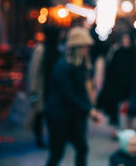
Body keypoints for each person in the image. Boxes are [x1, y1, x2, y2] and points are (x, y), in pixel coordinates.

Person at [44, 26, 103, 166]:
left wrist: (89, 108)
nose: (88, 50)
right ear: (77, 47)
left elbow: (81, 91)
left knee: (81, 149)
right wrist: (88, 110)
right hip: (59, 117)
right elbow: (68, 95)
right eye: (85, 46)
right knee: (57, 153)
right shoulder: (63, 66)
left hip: (71, 116)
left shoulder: (78, 65)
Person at [27, 25, 60, 147]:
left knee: (49, 115)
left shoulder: (55, 49)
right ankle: (39, 138)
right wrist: (33, 90)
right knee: (38, 114)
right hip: (41, 89)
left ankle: (50, 138)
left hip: (51, 89)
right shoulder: (41, 49)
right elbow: (34, 71)